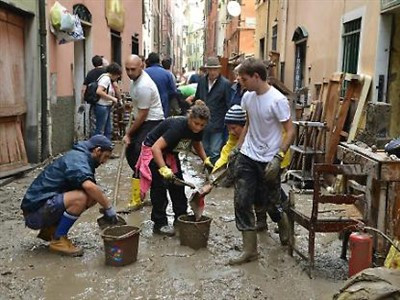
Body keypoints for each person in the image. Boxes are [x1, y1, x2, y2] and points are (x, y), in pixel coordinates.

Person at [229, 58, 295, 265]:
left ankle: (285, 227)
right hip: (248, 156)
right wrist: (237, 149)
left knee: (271, 204)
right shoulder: (248, 97)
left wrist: (279, 157)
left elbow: (291, 130)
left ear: (256, 77)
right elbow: (248, 123)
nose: (240, 82)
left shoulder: (277, 100)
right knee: (241, 201)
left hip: (269, 158)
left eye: (244, 79)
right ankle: (250, 250)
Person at [21, 135, 117, 256]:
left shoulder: (80, 157)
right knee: (81, 198)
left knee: (92, 196)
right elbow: (89, 186)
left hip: (41, 207)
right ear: (97, 150)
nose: (105, 162)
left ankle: (52, 229)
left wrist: (103, 203)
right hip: (34, 213)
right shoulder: (78, 159)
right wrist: (108, 207)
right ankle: (58, 239)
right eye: (106, 157)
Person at [136, 101, 213, 236]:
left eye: (202, 125)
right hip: (154, 151)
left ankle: (180, 217)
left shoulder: (197, 129)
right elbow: (156, 148)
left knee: (177, 185)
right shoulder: (178, 127)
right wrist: (163, 169)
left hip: (170, 152)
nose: (198, 128)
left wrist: (205, 159)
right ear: (190, 118)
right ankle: (160, 224)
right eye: (196, 123)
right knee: (159, 187)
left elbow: (196, 142)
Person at [123, 55, 165, 209]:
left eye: (133, 69)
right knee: (132, 155)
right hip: (143, 119)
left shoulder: (144, 85)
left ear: (141, 66)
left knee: (139, 154)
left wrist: (128, 133)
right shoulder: (136, 80)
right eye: (127, 69)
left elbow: (143, 114)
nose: (129, 72)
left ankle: (142, 191)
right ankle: (140, 189)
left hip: (152, 121)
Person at [193, 57, 231, 164]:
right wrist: (197, 102)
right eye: (210, 69)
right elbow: (197, 98)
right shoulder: (201, 81)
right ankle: (206, 173)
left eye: (215, 69)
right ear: (207, 70)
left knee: (215, 151)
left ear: (219, 70)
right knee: (204, 150)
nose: (213, 72)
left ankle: (212, 173)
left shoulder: (225, 84)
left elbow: (228, 104)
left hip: (218, 123)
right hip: (203, 123)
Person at [94, 62, 122, 140]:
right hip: (102, 105)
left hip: (106, 105)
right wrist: (112, 98)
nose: (118, 77)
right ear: (114, 73)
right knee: (100, 128)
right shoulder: (105, 79)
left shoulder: (107, 79)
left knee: (107, 128)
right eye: (117, 75)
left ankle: (106, 145)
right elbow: (99, 91)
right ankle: (97, 145)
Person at [81, 55, 107, 135]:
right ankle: (103, 140)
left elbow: (83, 88)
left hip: (93, 101)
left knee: (93, 122)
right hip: (104, 100)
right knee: (104, 123)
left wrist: (83, 99)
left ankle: (94, 140)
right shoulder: (105, 72)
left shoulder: (90, 73)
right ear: (101, 62)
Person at [145, 52, 177, 117]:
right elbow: (173, 91)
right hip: (163, 106)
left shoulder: (144, 73)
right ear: (159, 61)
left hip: (147, 107)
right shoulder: (167, 74)